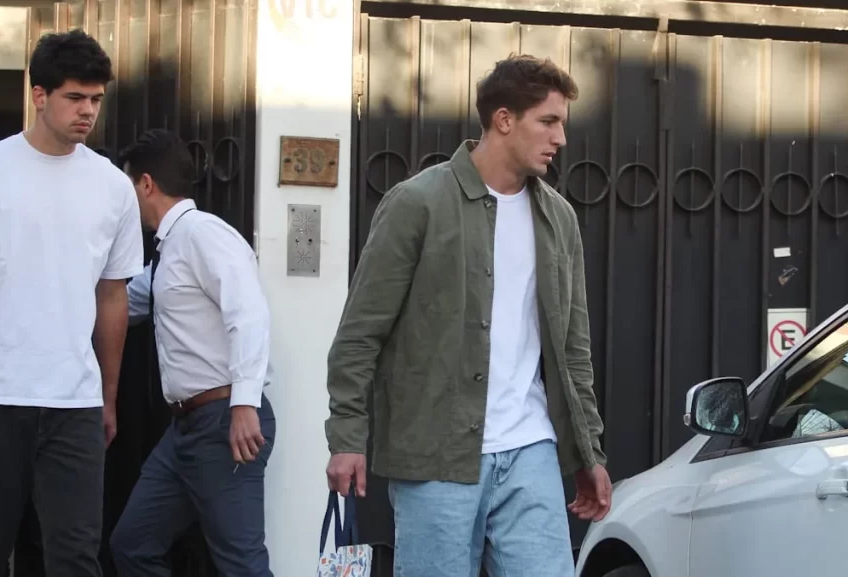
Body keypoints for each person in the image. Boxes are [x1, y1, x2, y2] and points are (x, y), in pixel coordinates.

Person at [324, 54, 613, 577]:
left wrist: (587, 452)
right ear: (504, 120)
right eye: (548, 121)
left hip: (530, 448)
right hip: (435, 453)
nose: (560, 138)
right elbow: (360, 334)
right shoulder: (417, 203)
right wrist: (347, 437)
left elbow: (573, 349)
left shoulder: (559, 218)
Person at [0, 28, 144, 577]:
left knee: (76, 554)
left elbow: (113, 297)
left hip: (75, 401)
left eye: (96, 99)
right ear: (39, 95)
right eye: (75, 97)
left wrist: (108, 398)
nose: (87, 111)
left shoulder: (113, 187)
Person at [108, 128, 276, 576]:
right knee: (133, 544)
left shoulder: (203, 234)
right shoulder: (169, 251)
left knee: (241, 564)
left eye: (129, 188)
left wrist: (244, 403)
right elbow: (125, 303)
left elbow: (249, 314)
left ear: (146, 184)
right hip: (187, 429)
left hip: (223, 420)